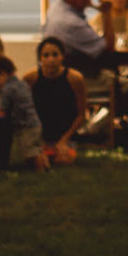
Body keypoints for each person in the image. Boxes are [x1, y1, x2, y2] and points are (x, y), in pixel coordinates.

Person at [28, 38, 89, 166]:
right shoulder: (31, 78)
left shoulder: (75, 79)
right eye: (46, 55)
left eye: (55, 55)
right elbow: (27, 113)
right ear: (40, 58)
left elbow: (81, 115)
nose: (51, 59)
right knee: (39, 162)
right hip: (40, 137)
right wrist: (38, 140)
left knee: (63, 161)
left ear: (62, 57)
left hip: (66, 136)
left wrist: (64, 140)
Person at [44, 0, 112, 75]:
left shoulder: (56, 7)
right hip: (79, 79)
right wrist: (106, 13)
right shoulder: (72, 23)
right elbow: (108, 48)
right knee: (127, 85)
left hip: (62, 75)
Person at [0, 54, 45, 169]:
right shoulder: (23, 84)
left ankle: (40, 170)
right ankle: (45, 167)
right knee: (37, 149)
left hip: (25, 126)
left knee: (30, 151)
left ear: (2, 73)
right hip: (35, 122)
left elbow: (3, 109)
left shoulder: (7, 88)